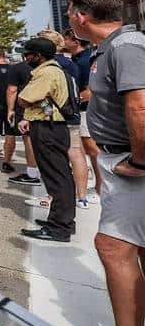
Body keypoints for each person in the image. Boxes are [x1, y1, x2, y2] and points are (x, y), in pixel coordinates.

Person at [67, 0, 145, 326]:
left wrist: (141, 161)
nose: (69, 21)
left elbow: (141, 107)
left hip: (132, 163)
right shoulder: (110, 48)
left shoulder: (125, 46)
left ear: (82, 16)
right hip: (122, 161)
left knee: (113, 247)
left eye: (70, 14)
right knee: (130, 248)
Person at [15, 37, 74, 243]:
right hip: (49, 125)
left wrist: (29, 106)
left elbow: (24, 98)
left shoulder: (47, 73)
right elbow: (45, 101)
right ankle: (61, 220)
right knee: (57, 176)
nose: (26, 58)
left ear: (38, 56)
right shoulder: (52, 70)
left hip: (49, 129)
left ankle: (59, 227)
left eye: (28, 54)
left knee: (57, 177)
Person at [36, 29, 90, 209]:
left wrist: (46, 111)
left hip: (52, 117)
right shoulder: (71, 63)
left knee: (53, 159)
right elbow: (81, 88)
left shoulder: (46, 65)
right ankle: (81, 197)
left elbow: (41, 95)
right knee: (76, 153)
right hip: (73, 114)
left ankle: (54, 197)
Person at [66, 28, 101, 201]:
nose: (64, 42)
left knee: (93, 150)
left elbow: (90, 91)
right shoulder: (77, 59)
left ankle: (101, 189)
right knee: (81, 150)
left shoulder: (85, 60)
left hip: (86, 110)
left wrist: (71, 100)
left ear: (75, 41)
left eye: (66, 39)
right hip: (80, 110)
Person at [6, 51, 41, 186]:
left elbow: (12, 90)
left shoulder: (19, 67)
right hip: (52, 108)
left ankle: (32, 173)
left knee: (29, 139)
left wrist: (10, 109)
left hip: (27, 106)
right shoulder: (54, 66)